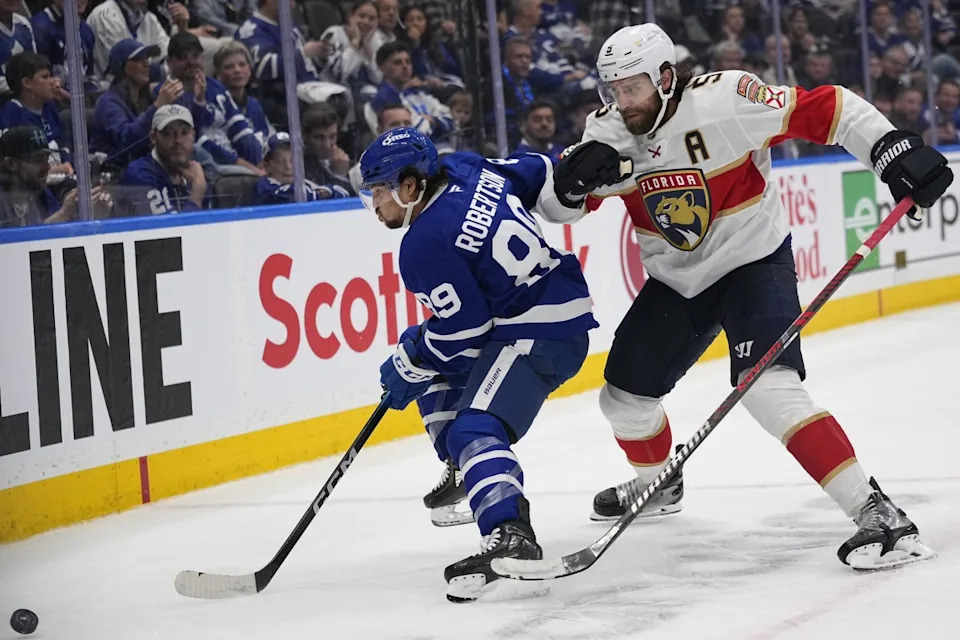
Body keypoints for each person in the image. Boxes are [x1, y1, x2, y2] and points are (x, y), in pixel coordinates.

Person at [537, 24, 949, 570]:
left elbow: (833, 108)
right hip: (678, 281)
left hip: (754, 262)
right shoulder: (608, 132)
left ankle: (877, 512)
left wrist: (890, 151)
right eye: (612, 88)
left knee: (768, 390)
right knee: (622, 402)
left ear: (665, 78)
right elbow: (558, 210)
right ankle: (658, 484)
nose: (621, 100)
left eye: (631, 87)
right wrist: (568, 187)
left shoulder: (727, 98)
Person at [362, 126, 597, 601]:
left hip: (540, 329)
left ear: (410, 186)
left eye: (381, 189)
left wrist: (413, 354)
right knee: (430, 375)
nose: (377, 203)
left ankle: (511, 531)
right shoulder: (465, 166)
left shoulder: (422, 241)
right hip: (541, 310)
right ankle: (467, 467)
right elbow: (536, 173)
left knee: (471, 424)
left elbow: (464, 330)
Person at [161, 32, 262, 173]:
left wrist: (257, 162)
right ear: (169, 62)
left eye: (195, 56)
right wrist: (199, 101)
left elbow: (239, 127)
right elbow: (193, 140)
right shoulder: (167, 93)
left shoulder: (215, 86)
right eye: (183, 57)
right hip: (205, 165)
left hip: (234, 159)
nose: (191, 62)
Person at [91, 39, 178, 171]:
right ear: (122, 66)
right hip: (115, 176)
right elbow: (127, 140)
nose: (146, 64)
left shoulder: (147, 99)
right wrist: (158, 105)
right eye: (138, 59)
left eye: (147, 59)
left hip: (145, 169)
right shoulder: (107, 103)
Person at [118, 104, 210, 214]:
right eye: (168, 133)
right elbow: (171, 230)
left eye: (184, 132)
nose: (178, 140)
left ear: (193, 136)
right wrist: (197, 194)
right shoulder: (139, 175)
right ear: (153, 138)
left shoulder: (195, 174)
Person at [1, 52, 73, 177]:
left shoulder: (50, 107)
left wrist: (68, 163)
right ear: (27, 83)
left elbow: (64, 146)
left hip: (64, 178)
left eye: (51, 76)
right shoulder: (10, 114)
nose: (53, 82)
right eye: (45, 77)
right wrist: (49, 171)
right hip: (34, 187)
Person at [253, 132, 350, 204]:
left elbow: (342, 192)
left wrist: (327, 191)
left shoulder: (304, 183)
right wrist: (320, 194)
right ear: (266, 166)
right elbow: (292, 196)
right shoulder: (265, 187)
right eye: (279, 162)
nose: (288, 166)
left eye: (292, 160)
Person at [214, 41, 270, 149]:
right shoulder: (216, 106)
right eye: (229, 67)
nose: (237, 70)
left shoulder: (254, 104)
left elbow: (264, 139)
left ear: (249, 70)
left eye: (242, 64)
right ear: (218, 74)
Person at [301, 102, 354, 196]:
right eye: (319, 137)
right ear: (305, 136)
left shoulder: (348, 159)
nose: (327, 145)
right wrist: (339, 176)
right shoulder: (300, 168)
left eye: (332, 136)